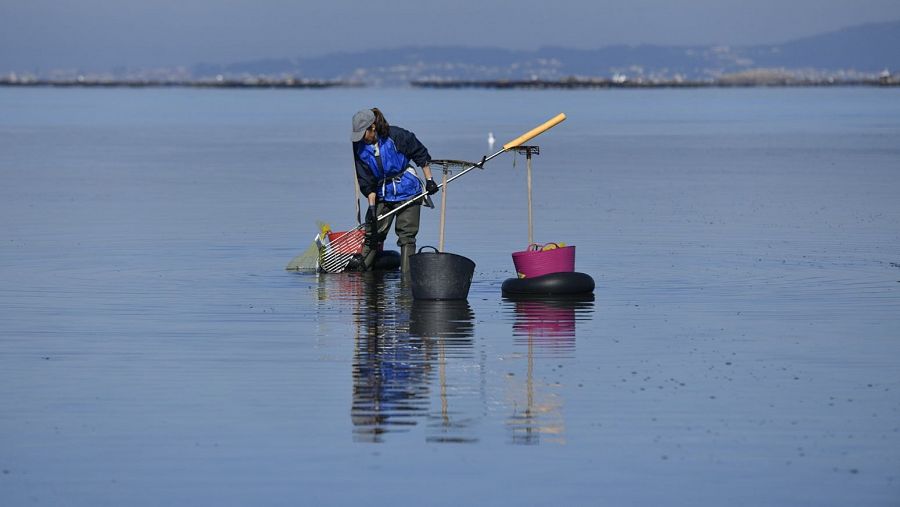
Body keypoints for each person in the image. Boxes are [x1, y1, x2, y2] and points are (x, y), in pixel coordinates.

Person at [350, 108, 439, 272]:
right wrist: (372, 208)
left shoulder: (397, 136)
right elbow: (365, 178)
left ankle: (406, 280)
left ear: (372, 127)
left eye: (363, 134)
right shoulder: (359, 146)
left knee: (407, 236)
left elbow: (420, 154)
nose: (361, 138)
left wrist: (429, 180)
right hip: (383, 192)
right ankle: (361, 274)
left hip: (408, 189)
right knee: (373, 233)